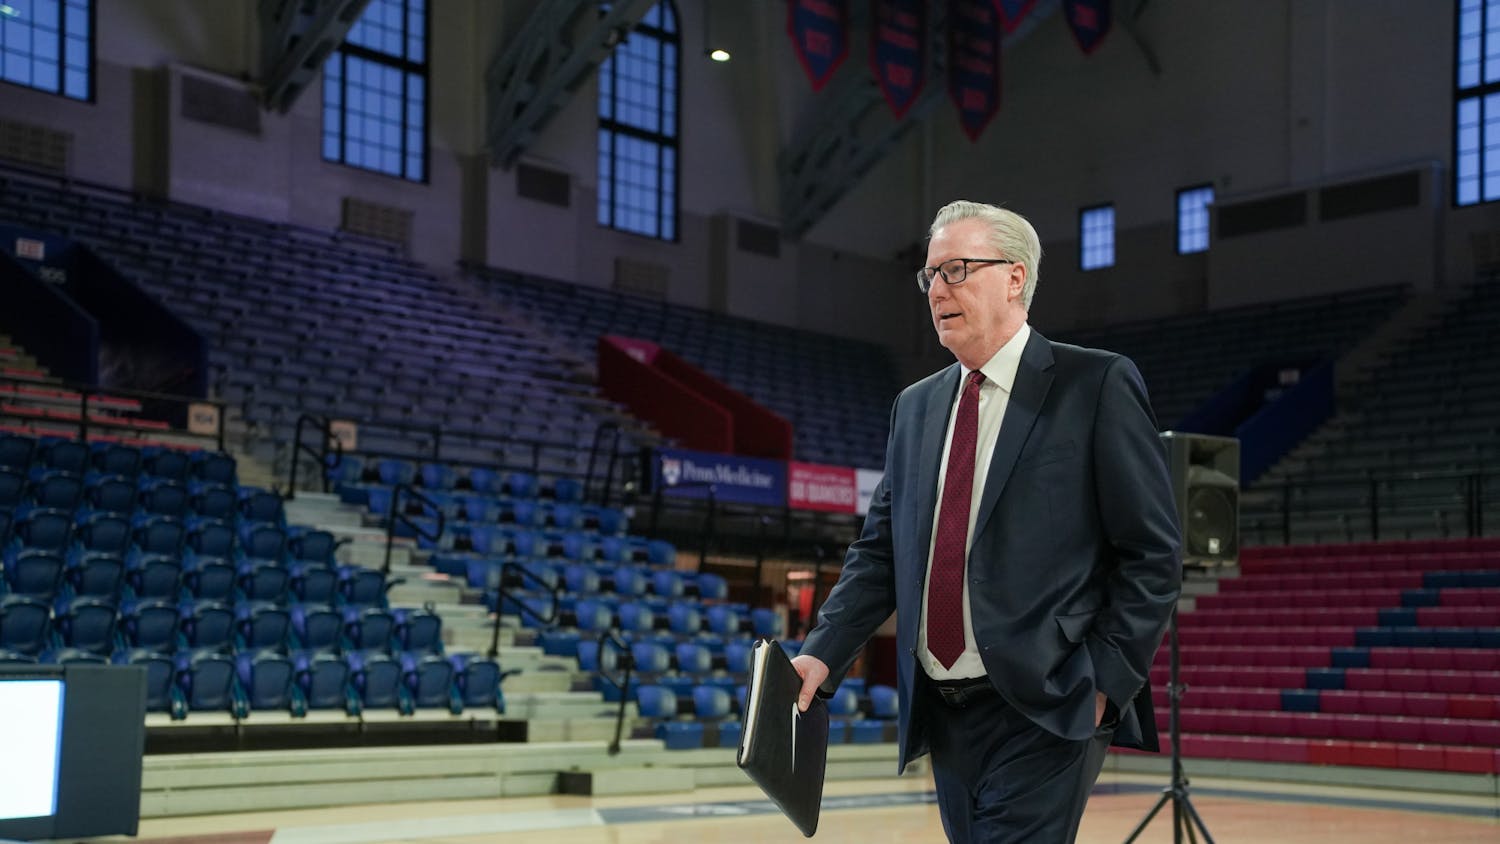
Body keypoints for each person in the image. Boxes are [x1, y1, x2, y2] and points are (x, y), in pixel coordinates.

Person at [791, 200, 1183, 843]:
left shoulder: (1094, 383)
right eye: (930, 276)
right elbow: (880, 553)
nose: (937, 290)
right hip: (945, 713)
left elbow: (1153, 551)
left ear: (1015, 277)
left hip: (1048, 703)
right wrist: (821, 653)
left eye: (957, 270)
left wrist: (1103, 684)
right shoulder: (914, 407)